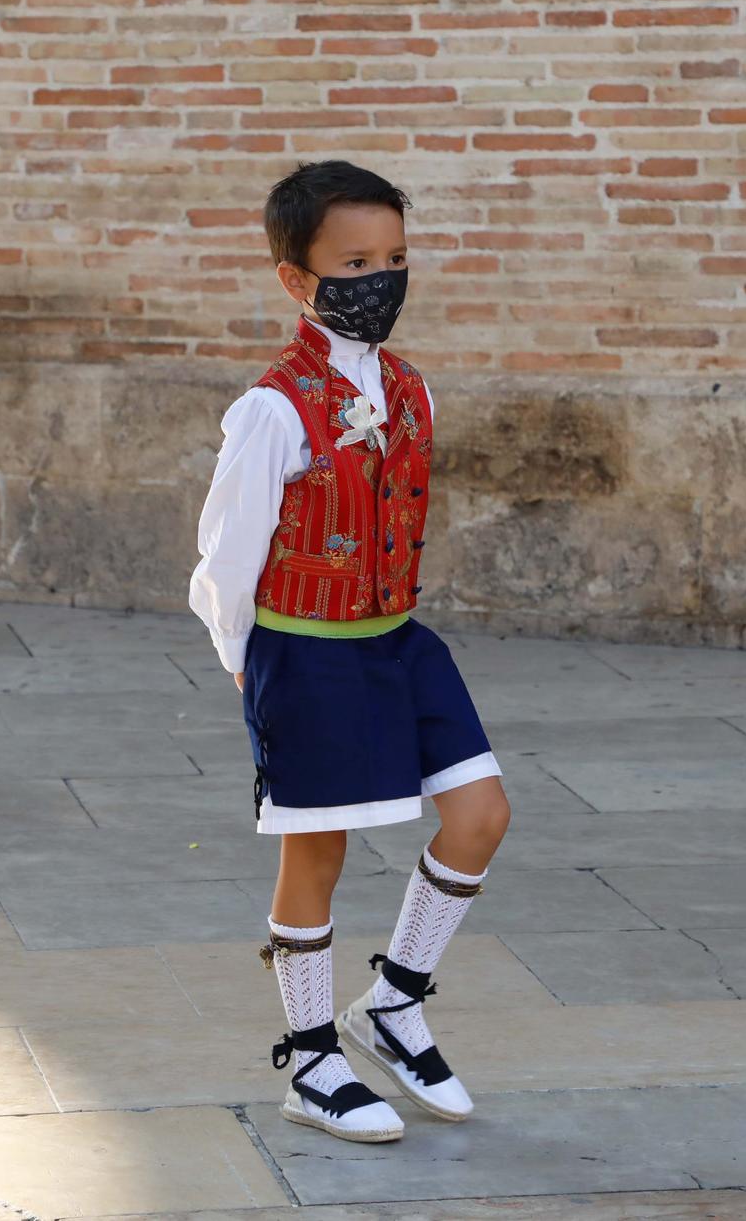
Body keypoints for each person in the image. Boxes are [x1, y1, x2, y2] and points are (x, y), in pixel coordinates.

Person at [189, 161, 514, 1141]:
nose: (382, 278)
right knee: (315, 852)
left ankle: (394, 1002)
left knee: (480, 814)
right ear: (298, 279)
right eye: (357, 262)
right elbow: (224, 560)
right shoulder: (271, 410)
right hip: (308, 653)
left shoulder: (412, 389)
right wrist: (255, 673)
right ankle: (309, 1057)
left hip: (400, 643)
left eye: (396, 258)